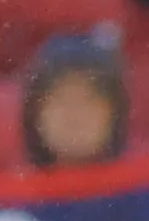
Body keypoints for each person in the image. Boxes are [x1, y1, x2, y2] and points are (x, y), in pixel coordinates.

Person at [20, 27, 135, 166]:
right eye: (60, 99)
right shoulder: (10, 185)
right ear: (35, 113)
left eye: (89, 99)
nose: (74, 114)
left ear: (115, 112)